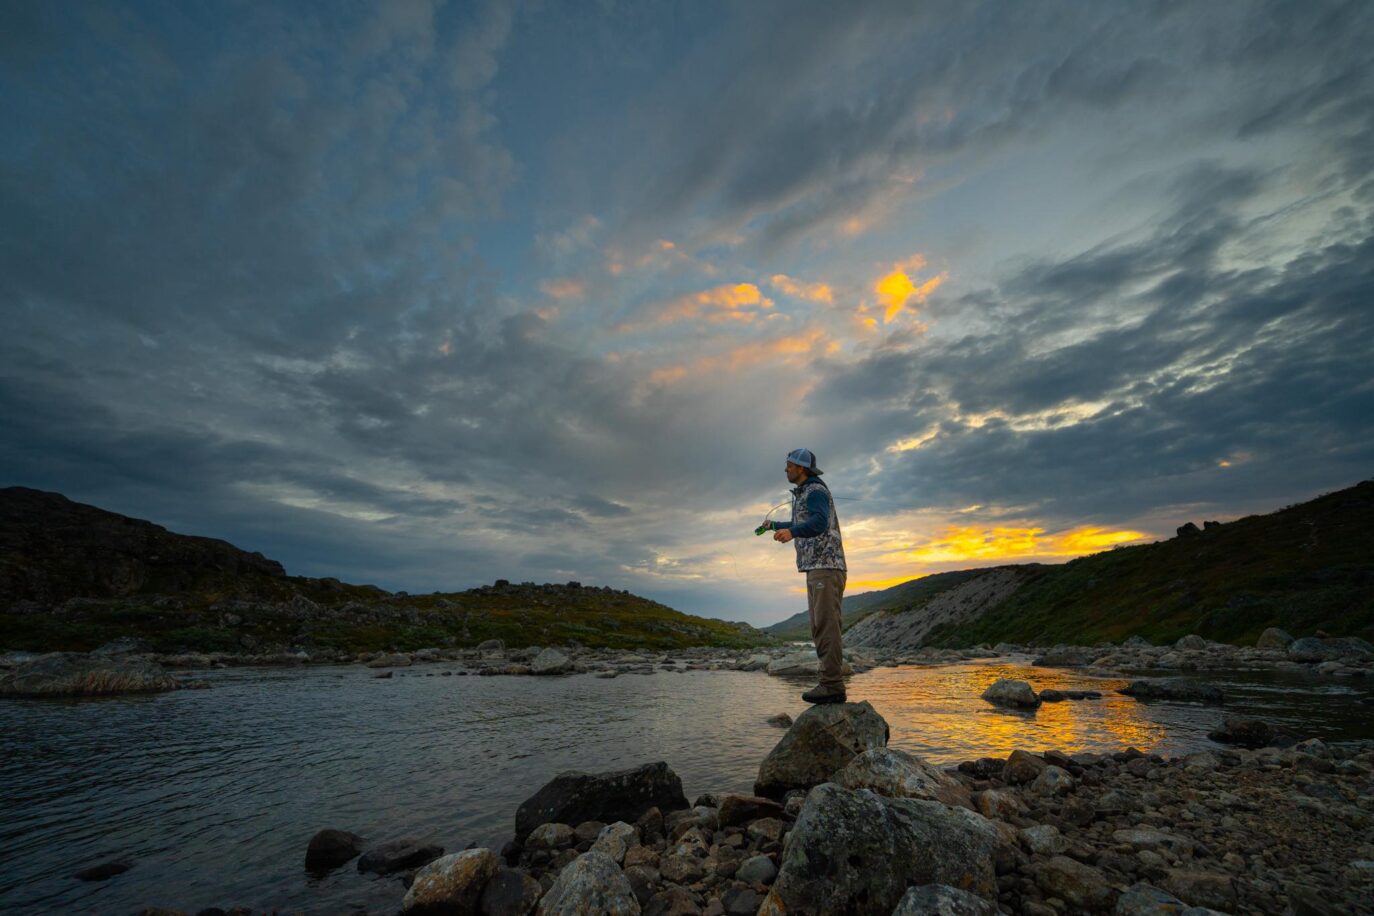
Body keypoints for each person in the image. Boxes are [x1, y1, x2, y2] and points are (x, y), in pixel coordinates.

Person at [762, 448, 848, 704]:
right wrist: (775, 526)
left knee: (826, 625)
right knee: (819, 625)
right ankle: (830, 683)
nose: (785, 469)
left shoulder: (815, 491)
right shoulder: (805, 492)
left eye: (789, 465)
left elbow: (819, 522)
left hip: (826, 565)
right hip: (816, 566)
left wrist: (792, 533)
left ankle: (832, 686)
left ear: (801, 468)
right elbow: (803, 521)